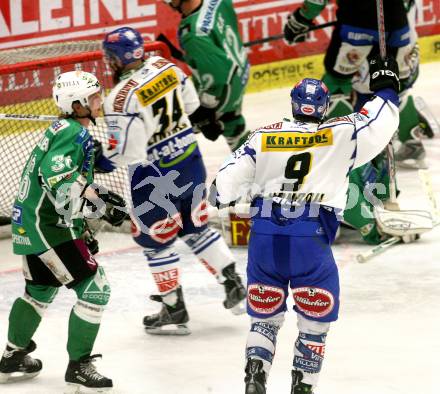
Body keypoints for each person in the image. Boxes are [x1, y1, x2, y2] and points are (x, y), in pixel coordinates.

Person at [211, 56, 400, 393]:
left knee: (264, 319)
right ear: (324, 106)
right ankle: (303, 387)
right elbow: (381, 119)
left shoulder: (263, 136)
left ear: (293, 104)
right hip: (310, 241)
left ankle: (255, 377)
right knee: (314, 324)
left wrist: (220, 194)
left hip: (265, 238)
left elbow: (222, 187)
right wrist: (384, 81)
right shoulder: (341, 133)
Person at [101, 27, 246, 335]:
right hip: (191, 162)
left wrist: (101, 151)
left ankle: (173, 307)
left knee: (156, 243)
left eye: (110, 57)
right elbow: (193, 111)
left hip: (153, 178)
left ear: (117, 59)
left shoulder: (118, 99)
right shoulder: (167, 67)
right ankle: (232, 281)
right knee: (195, 227)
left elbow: (131, 154)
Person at [0, 71, 127, 392]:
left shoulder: (66, 128)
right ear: (77, 103)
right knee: (96, 290)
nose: (100, 102)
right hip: (49, 228)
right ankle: (79, 365)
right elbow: (55, 176)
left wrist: (94, 162)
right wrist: (96, 197)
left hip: (30, 223)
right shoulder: (73, 132)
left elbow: (63, 173)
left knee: (40, 290)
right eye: (94, 98)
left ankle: (13, 355)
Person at [283, 0, 430, 244]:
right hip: (399, 28)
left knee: (335, 90)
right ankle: (381, 185)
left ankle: (344, 169)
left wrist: (302, 19)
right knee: (385, 93)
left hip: (357, 28)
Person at [163, 0, 250, 150]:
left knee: (175, 132)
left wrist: (204, 114)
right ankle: (257, 163)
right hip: (241, 70)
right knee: (233, 124)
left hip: (224, 87)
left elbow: (218, 77)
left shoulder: (194, 34)